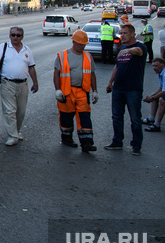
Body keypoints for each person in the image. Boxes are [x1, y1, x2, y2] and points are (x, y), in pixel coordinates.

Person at [0, 26, 39, 146]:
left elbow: (31, 67)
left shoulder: (27, 50)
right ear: (9, 35)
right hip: (7, 83)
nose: (15, 37)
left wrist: (35, 83)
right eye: (13, 35)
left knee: (20, 112)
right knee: (10, 110)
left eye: (18, 35)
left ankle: (16, 131)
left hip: (23, 84)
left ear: (22, 37)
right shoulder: (4, 47)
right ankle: (12, 136)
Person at [104, 23, 147, 155]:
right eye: (121, 33)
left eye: (125, 33)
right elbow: (117, 66)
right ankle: (117, 141)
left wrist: (129, 50)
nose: (122, 35)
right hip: (118, 88)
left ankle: (136, 145)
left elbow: (138, 52)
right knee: (116, 117)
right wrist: (110, 82)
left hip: (133, 89)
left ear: (133, 34)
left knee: (135, 118)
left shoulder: (140, 46)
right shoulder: (122, 47)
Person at [53, 30, 98, 151]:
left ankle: (86, 143)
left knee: (84, 116)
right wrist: (57, 90)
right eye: (80, 43)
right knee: (66, 116)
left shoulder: (88, 56)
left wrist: (95, 91)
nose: (82, 46)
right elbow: (56, 73)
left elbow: (92, 74)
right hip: (67, 92)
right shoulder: (63, 56)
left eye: (84, 44)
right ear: (73, 42)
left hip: (82, 91)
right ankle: (67, 138)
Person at [143, 57, 165, 132]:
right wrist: (151, 96)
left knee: (162, 100)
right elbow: (161, 88)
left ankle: (157, 124)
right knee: (155, 96)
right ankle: (151, 119)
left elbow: (164, 91)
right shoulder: (160, 72)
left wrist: (152, 98)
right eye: (153, 66)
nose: (154, 68)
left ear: (162, 66)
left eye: (156, 66)